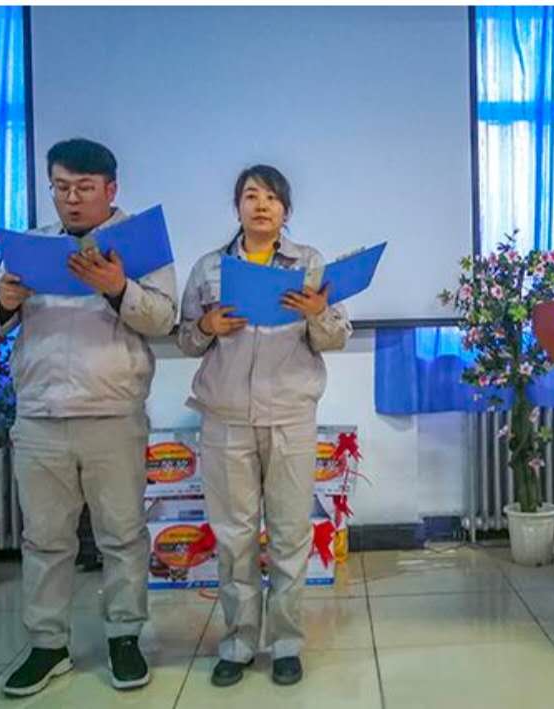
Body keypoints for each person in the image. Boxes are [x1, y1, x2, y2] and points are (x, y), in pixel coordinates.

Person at [0, 138, 178, 696]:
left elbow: (164, 319)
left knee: (123, 535)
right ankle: (48, 645)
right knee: (45, 539)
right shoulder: (30, 248)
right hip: (40, 414)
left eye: (84, 188)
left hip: (112, 412)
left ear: (110, 189)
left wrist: (119, 289)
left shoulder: (139, 246)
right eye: (61, 187)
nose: (71, 198)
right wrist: (6, 300)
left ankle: (125, 637)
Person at [178, 164, 352, 687]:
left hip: (289, 416)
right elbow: (186, 339)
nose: (261, 205)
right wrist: (207, 325)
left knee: (289, 534)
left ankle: (286, 645)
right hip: (226, 417)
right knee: (234, 537)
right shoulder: (210, 267)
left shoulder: (309, 264)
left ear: (286, 211)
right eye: (251, 196)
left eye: (272, 198)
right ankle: (237, 642)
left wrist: (318, 312)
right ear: (237, 207)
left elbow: (336, 336)